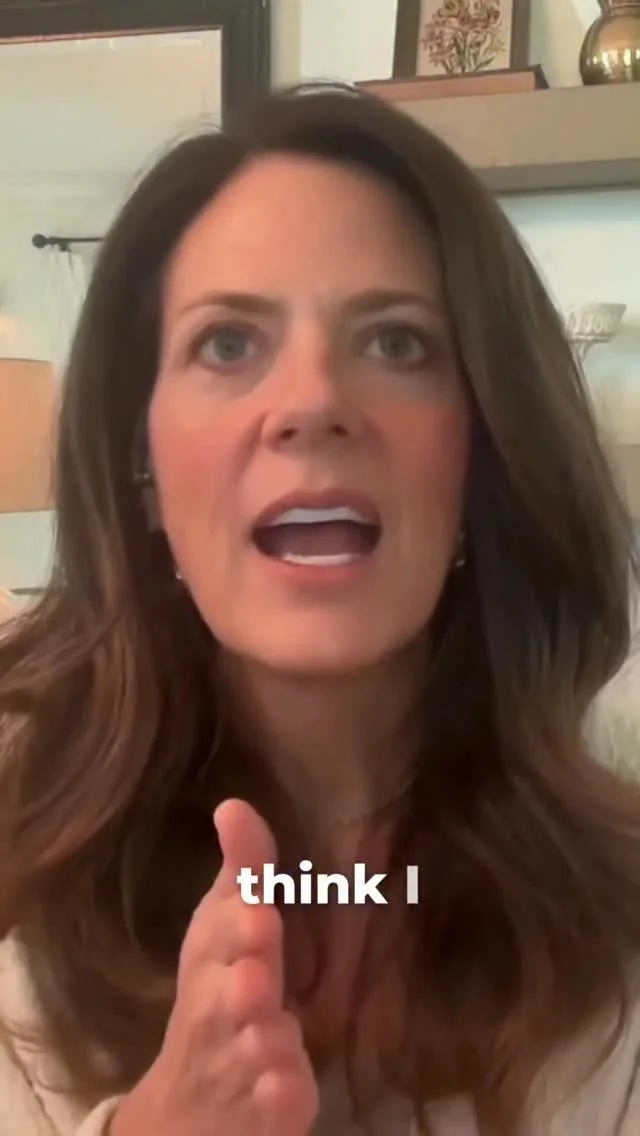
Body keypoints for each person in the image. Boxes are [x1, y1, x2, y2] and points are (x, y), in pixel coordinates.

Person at [0, 83, 639, 1136]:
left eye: (395, 342)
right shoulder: (22, 897)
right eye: (227, 344)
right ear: (141, 468)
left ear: (483, 451)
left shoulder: (617, 932)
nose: (310, 403)